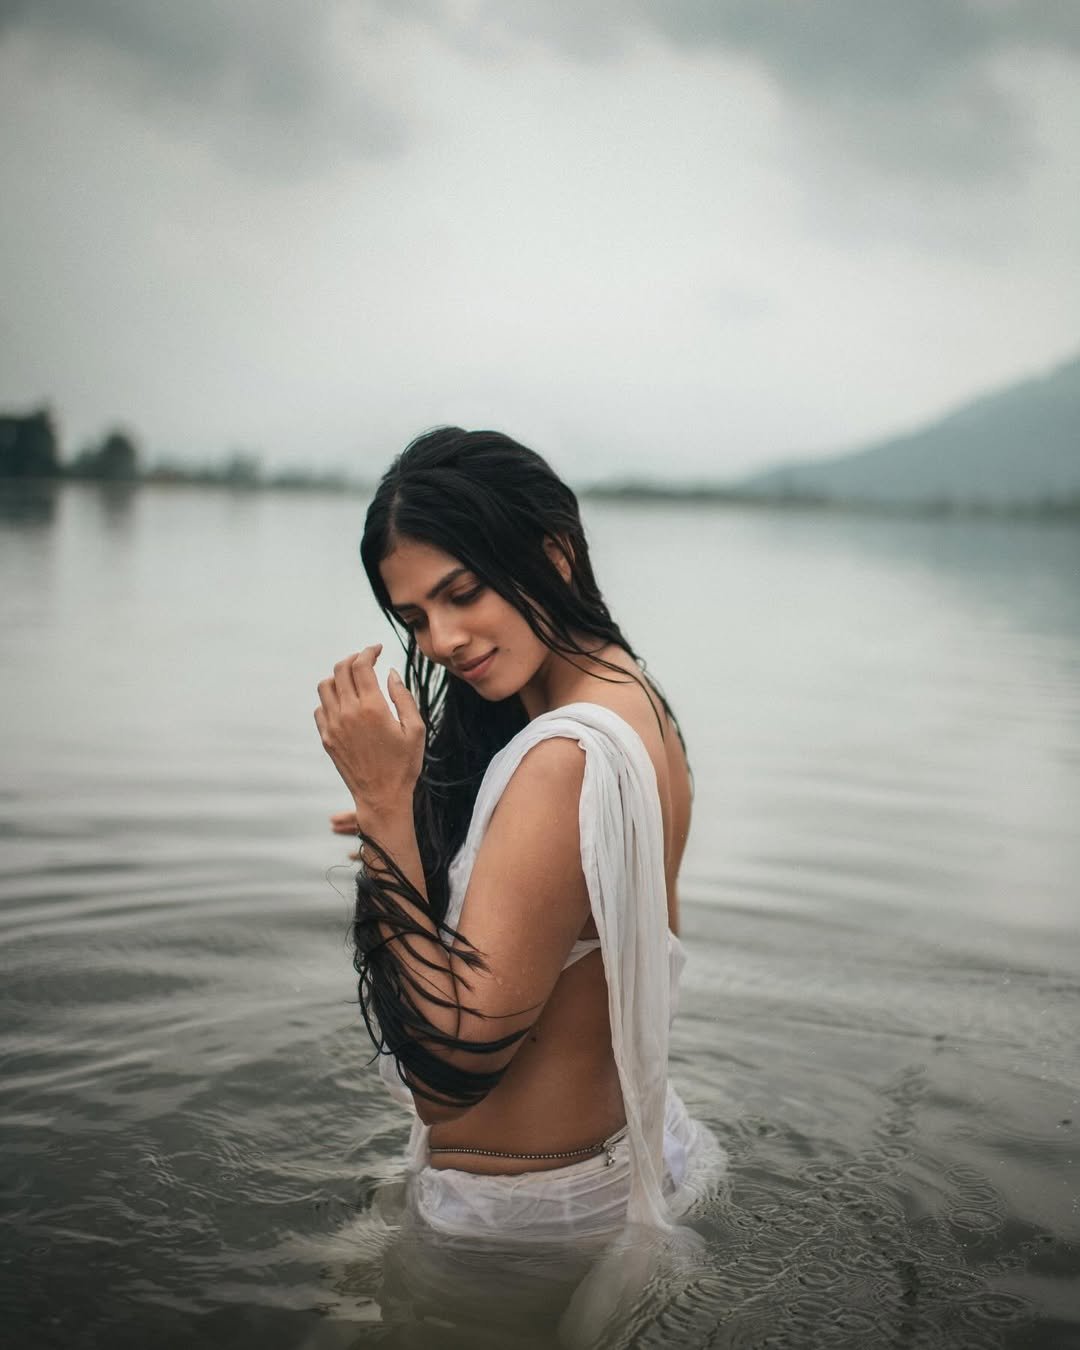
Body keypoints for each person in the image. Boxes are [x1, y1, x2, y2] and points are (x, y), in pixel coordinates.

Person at [314, 427, 725, 1246]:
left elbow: (451, 1074)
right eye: (415, 617)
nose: (441, 640)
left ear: (554, 553)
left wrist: (388, 807)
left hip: (529, 1229)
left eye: (463, 592)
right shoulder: (634, 699)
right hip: (610, 1169)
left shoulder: (565, 759)